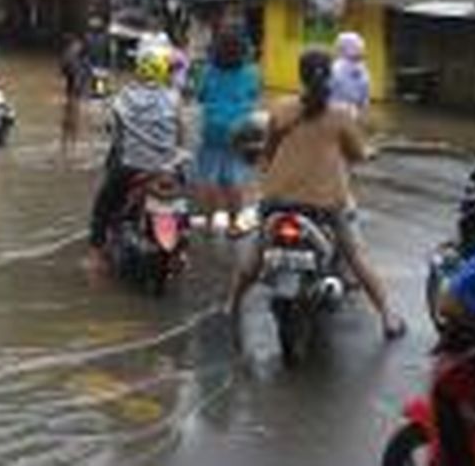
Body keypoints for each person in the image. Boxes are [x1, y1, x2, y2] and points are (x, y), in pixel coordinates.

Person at [227, 49, 406, 342]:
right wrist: (368, 152)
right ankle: (387, 316)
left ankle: (232, 304)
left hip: (277, 200)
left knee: (257, 254)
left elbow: (268, 152)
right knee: (355, 254)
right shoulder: (341, 115)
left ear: (300, 75)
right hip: (323, 205)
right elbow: (357, 154)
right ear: (330, 77)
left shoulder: (281, 108)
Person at [86, 46, 184, 273]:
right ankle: (181, 251)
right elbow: (180, 134)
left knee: (103, 204)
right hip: (166, 169)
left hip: (130, 167)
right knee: (181, 199)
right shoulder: (174, 97)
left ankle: (95, 256)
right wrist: (174, 155)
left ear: (139, 72)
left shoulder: (124, 97)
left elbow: (116, 135)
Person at [193, 29, 260, 231]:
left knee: (208, 179)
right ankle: (233, 224)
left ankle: (208, 223)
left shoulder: (208, 70)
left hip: (212, 129)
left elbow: (200, 95)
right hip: (240, 130)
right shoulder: (251, 72)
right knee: (235, 179)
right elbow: (254, 95)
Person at [60, 35, 91, 153]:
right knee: (70, 116)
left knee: (72, 116)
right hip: (72, 89)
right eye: (75, 44)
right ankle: (68, 144)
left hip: (76, 90)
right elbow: (64, 72)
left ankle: (70, 143)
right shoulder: (69, 56)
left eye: (77, 45)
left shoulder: (80, 57)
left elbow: (87, 74)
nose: (76, 47)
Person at [330, 30, 371, 115]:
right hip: (338, 116)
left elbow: (364, 97)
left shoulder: (362, 68)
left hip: (354, 114)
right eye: (356, 45)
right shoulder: (336, 70)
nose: (360, 47)